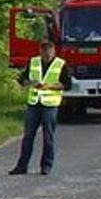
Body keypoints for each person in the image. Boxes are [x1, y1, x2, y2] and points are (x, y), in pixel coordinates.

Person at [10, 40, 73, 176]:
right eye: (44, 52)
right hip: (34, 103)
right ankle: (22, 166)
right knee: (28, 136)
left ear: (53, 51)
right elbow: (22, 79)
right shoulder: (34, 62)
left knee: (48, 137)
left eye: (49, 52)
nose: (46, 55)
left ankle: (46, 166)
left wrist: (48, 86)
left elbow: (67, 84)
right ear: (40, 51)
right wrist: (31, 83)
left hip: (50, 105)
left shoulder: (60, 64)